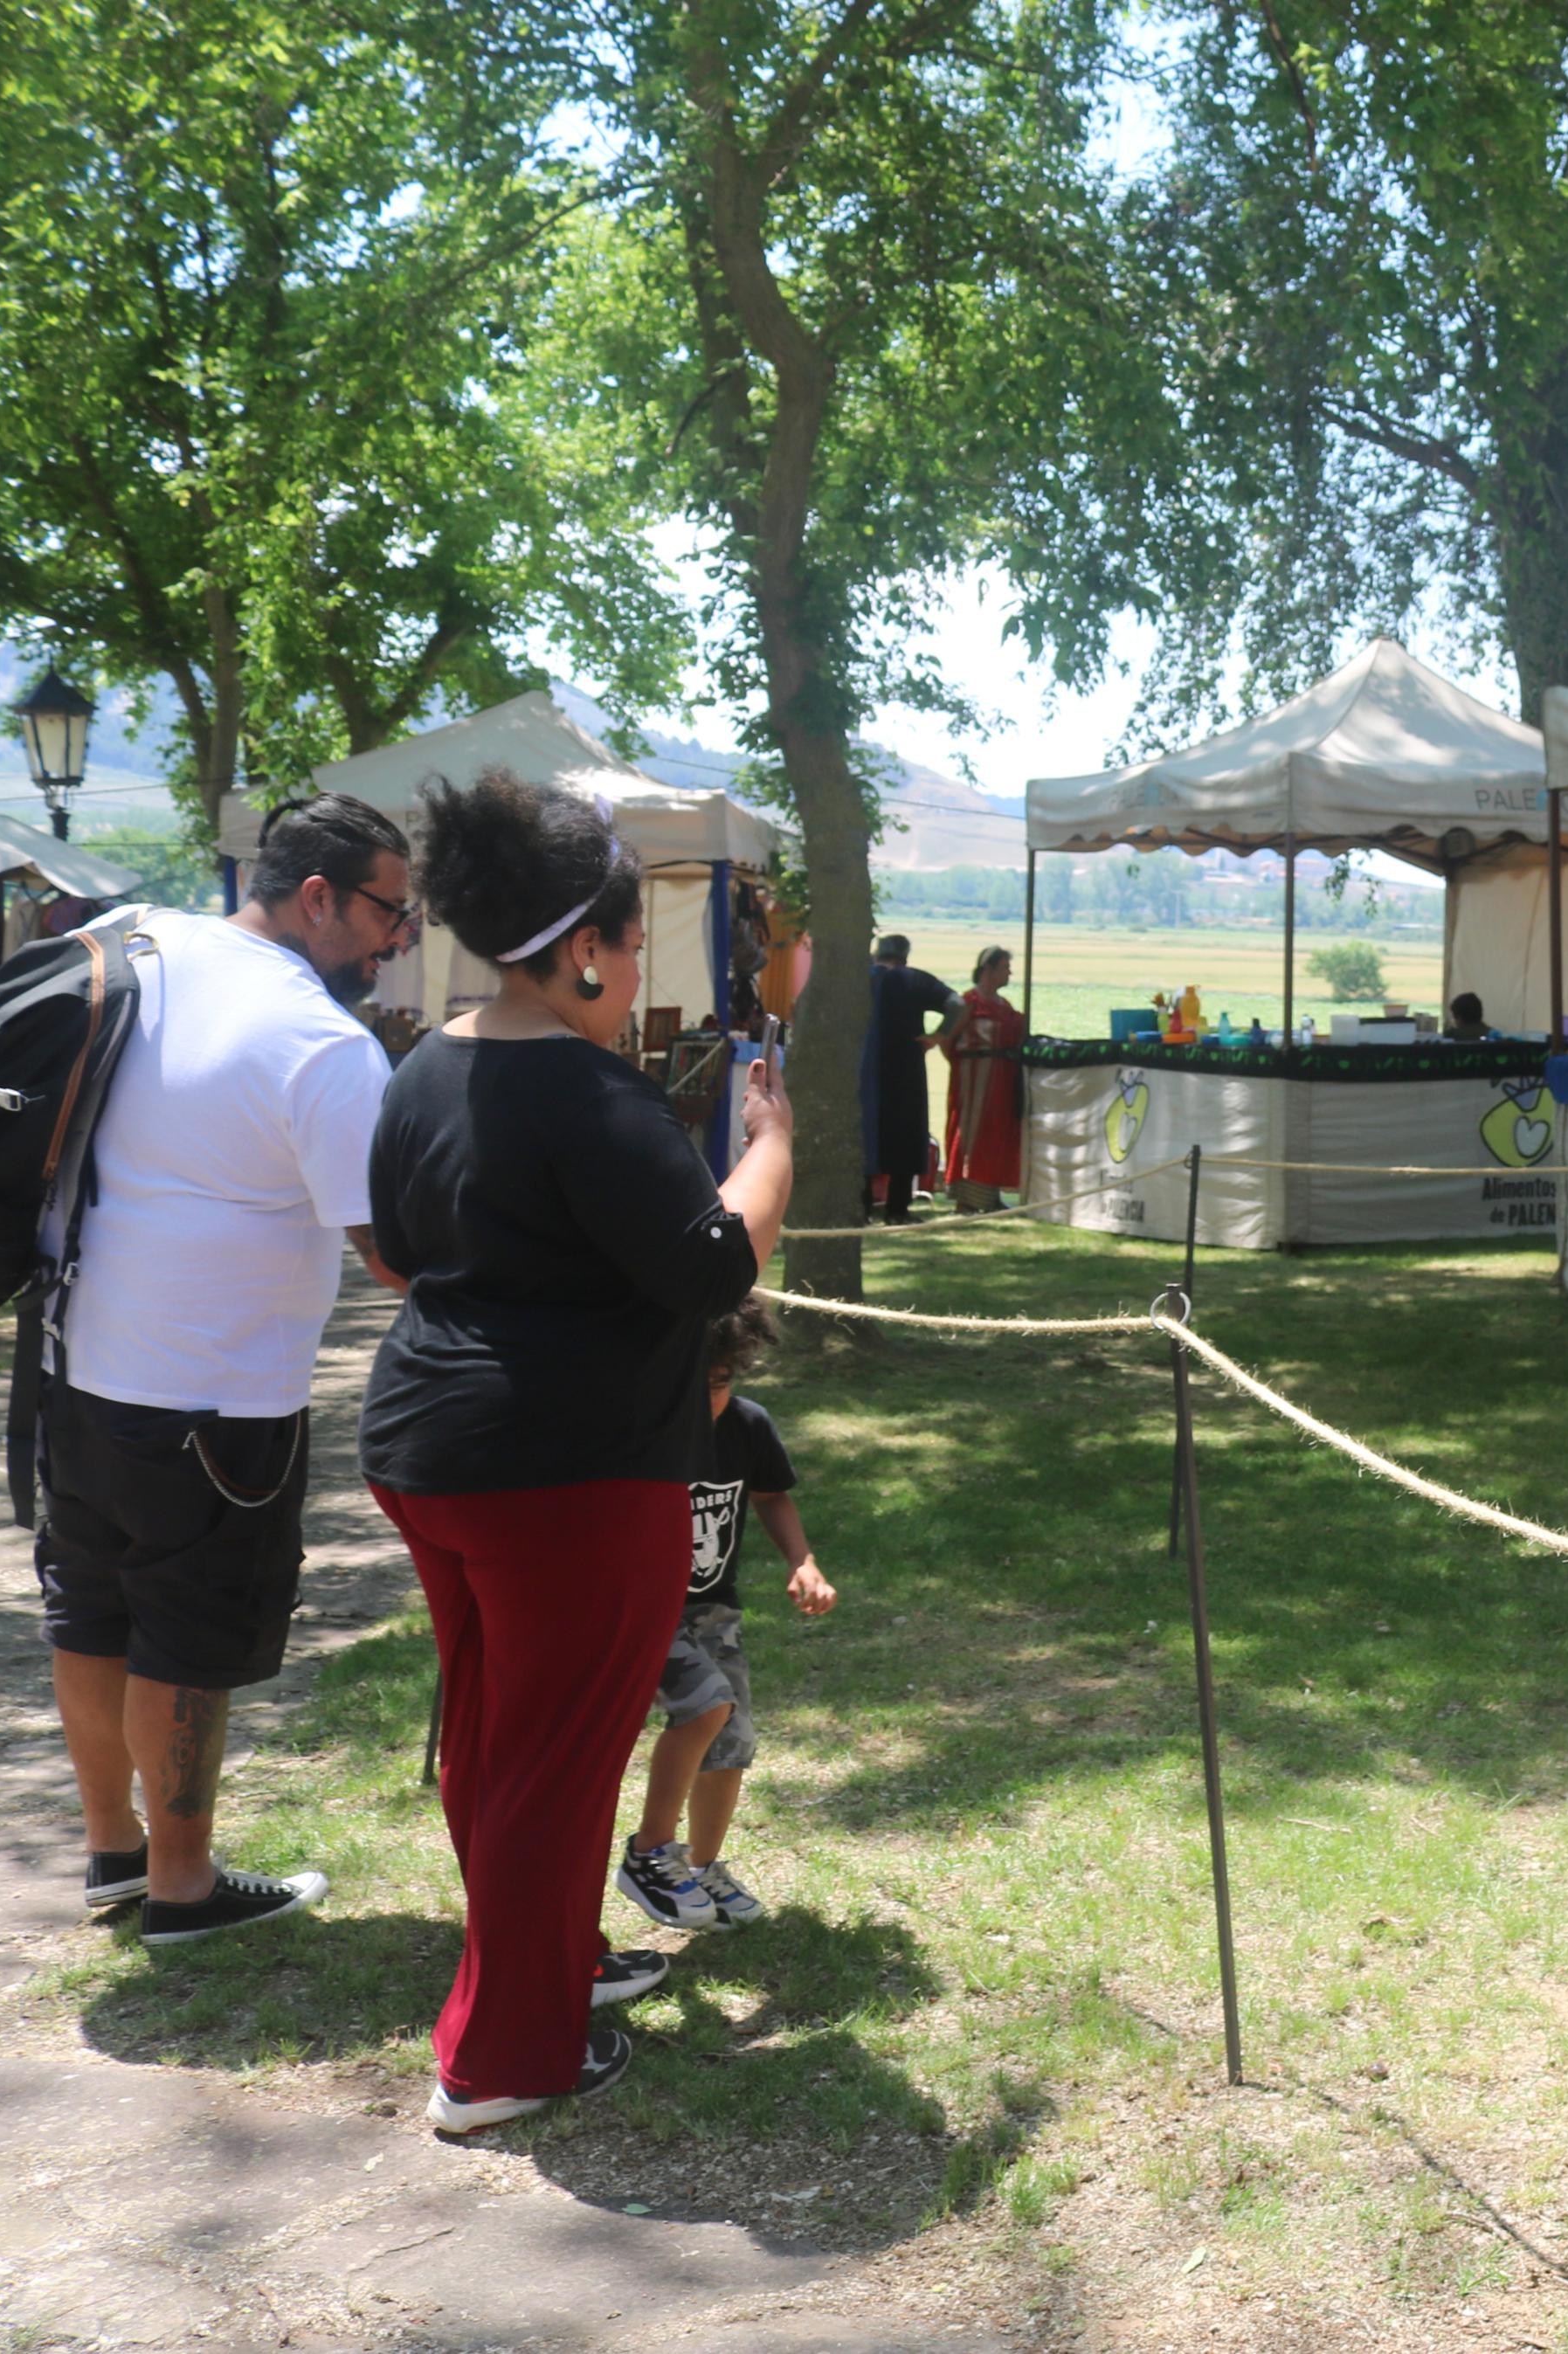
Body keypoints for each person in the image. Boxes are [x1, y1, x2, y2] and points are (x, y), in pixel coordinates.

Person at [360, 767, 794, 2134]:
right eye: (623, 941)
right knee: (550, 1758)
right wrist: (770, 1148)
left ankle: (536, 1973)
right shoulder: (596, 1098)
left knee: (498, 1739)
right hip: (566, 1471)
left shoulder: (427, 1066)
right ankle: (504, 2056)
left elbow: (398, 1247)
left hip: (430, 1445)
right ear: (585, 948)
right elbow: (708, 1264)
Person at [40, 792, 417, 1945]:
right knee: (185, 1634)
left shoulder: (135, 936)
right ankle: (184, 1881)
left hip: (76, 1361)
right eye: (388, 911)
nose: (397, 937)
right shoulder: (318, 1039)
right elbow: (396, 1255)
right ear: (318, 896)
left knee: (92, 1608)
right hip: (218, 1397)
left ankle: (116, 1848)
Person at [615, 1297, 835, 1931]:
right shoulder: (638, 1434)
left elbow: (771, 1495)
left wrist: (803, 1561)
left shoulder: (746, 1426)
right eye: (693, 1385)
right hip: (642, 1610)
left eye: (720, 1383)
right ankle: (651, 1853)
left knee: (732, 1739)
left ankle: (704, 1867)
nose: (707, 1399)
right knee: (706, 1704)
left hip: (712, 1609)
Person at [859, 934, 957, 1224]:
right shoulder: (916, 980)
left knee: (865, 1134)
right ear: (905, 955)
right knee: (906, 1134)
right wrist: (939, 1035)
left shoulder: (860, 979)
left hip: (865, 1068)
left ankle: (861, 1208)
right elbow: (957, 1003)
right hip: (906, 1069)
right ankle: (897, 1210)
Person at [938, 946, 1023, 1214]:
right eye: (1005, 967)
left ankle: (990, 1195)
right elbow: (946, 1039)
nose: (1009, 973)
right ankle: (966, 1197)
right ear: (989, 969)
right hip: (973, 1079)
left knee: (997, 1133)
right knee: (971, 1133)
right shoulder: (968, 1004)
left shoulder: (1003, 1006)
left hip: (1001, 1078)